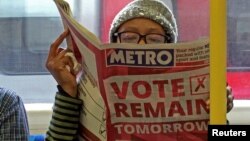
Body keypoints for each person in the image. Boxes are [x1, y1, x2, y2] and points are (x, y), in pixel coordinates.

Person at [45, 0, 234, 140]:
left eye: (154, 39)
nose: (141, 46)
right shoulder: (90, 92)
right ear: (114, 43)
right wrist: (67, 92)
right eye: (129, 37)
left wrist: (219, 115)